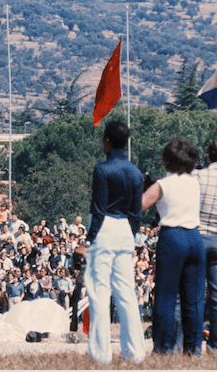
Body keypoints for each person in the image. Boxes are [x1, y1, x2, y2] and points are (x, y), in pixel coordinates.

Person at [78, 121, 145, 364]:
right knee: (126, 293)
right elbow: (136, 213)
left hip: (104, 229)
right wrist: (131, 234)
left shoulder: (102, 169)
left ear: (106, 141)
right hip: (126, 230)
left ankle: (100, 355)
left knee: (99, 292)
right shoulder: (135, 172)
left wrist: (87, 241)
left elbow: (98, 210)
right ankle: (135, 353)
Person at [142, 137, 205, 355]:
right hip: (195, 236)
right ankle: (192, 349)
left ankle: (164, 348)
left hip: (172, 236)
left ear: (167, 160)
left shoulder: (163, 185)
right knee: (193, 299)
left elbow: (139, 205)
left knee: (166, 296)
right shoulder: (195, 181)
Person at [198, 140, 217, 353]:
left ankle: (193, 344)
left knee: (194, 294)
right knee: (216, 296)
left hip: (199, 236)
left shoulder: (199, 176)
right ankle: (214, 346)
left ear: (209, 155)